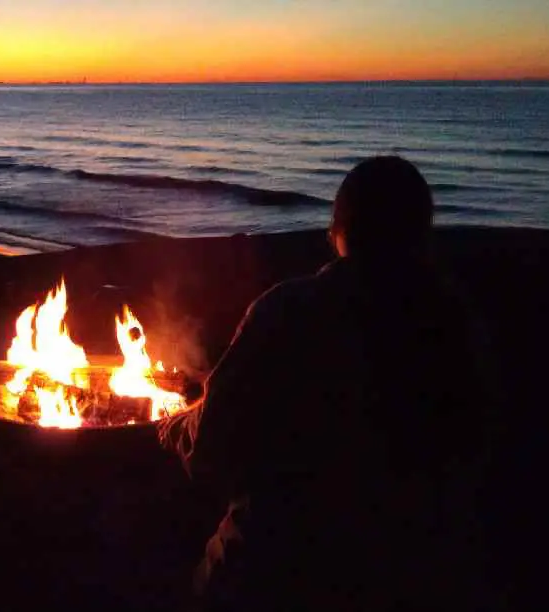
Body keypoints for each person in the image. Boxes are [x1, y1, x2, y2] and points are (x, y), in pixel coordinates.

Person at [161, 156, 498, 611]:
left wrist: (175, 424)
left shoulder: (287, 310)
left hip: (275, 573)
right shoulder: (456, 324)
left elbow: (209, 455)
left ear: (334, 228)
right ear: (423, 234)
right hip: (416, 572)